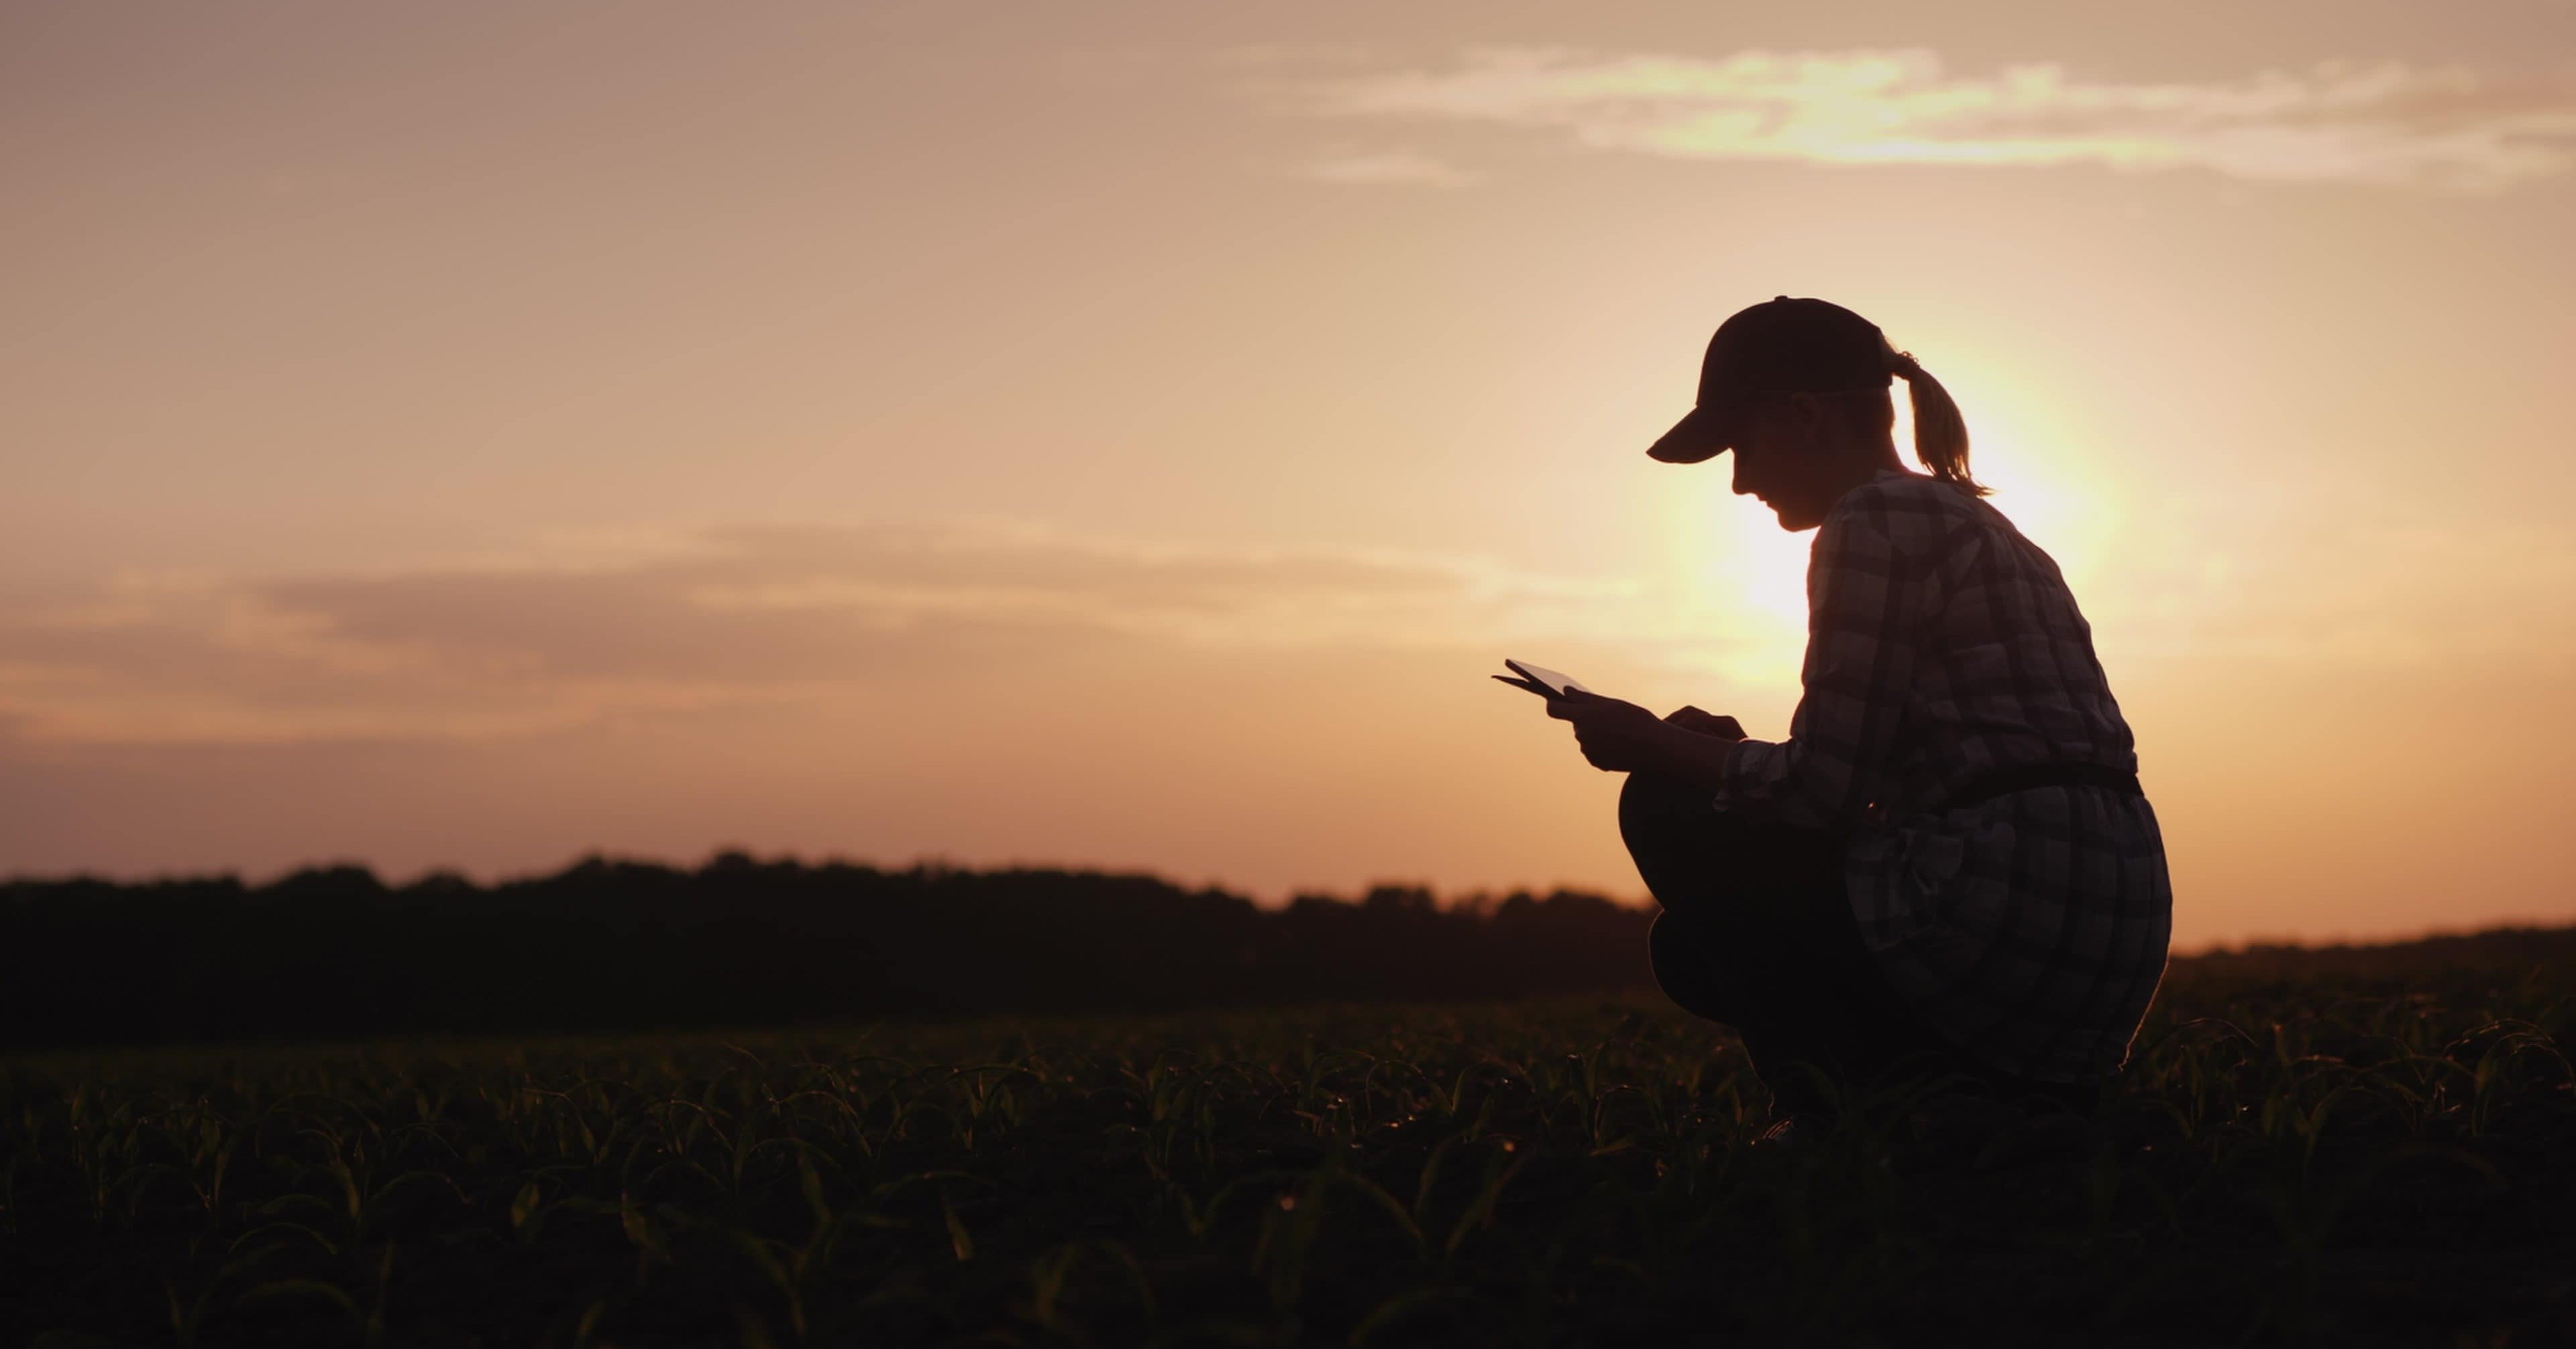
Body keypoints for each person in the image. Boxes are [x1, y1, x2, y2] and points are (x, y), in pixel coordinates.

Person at [1541, 296, 2170, 1123]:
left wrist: (1655, 746)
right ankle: (1982, 1103)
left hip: (2001, 906)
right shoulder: (1980, 523)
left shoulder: (1872, 518)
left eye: (1741, 446)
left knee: (1669, 807)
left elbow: (1822, 790)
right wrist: (1708, 752)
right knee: (1691, 943)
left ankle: (1847, 1126)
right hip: (2102, 923)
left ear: (1803, 417)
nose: (1738, 481)